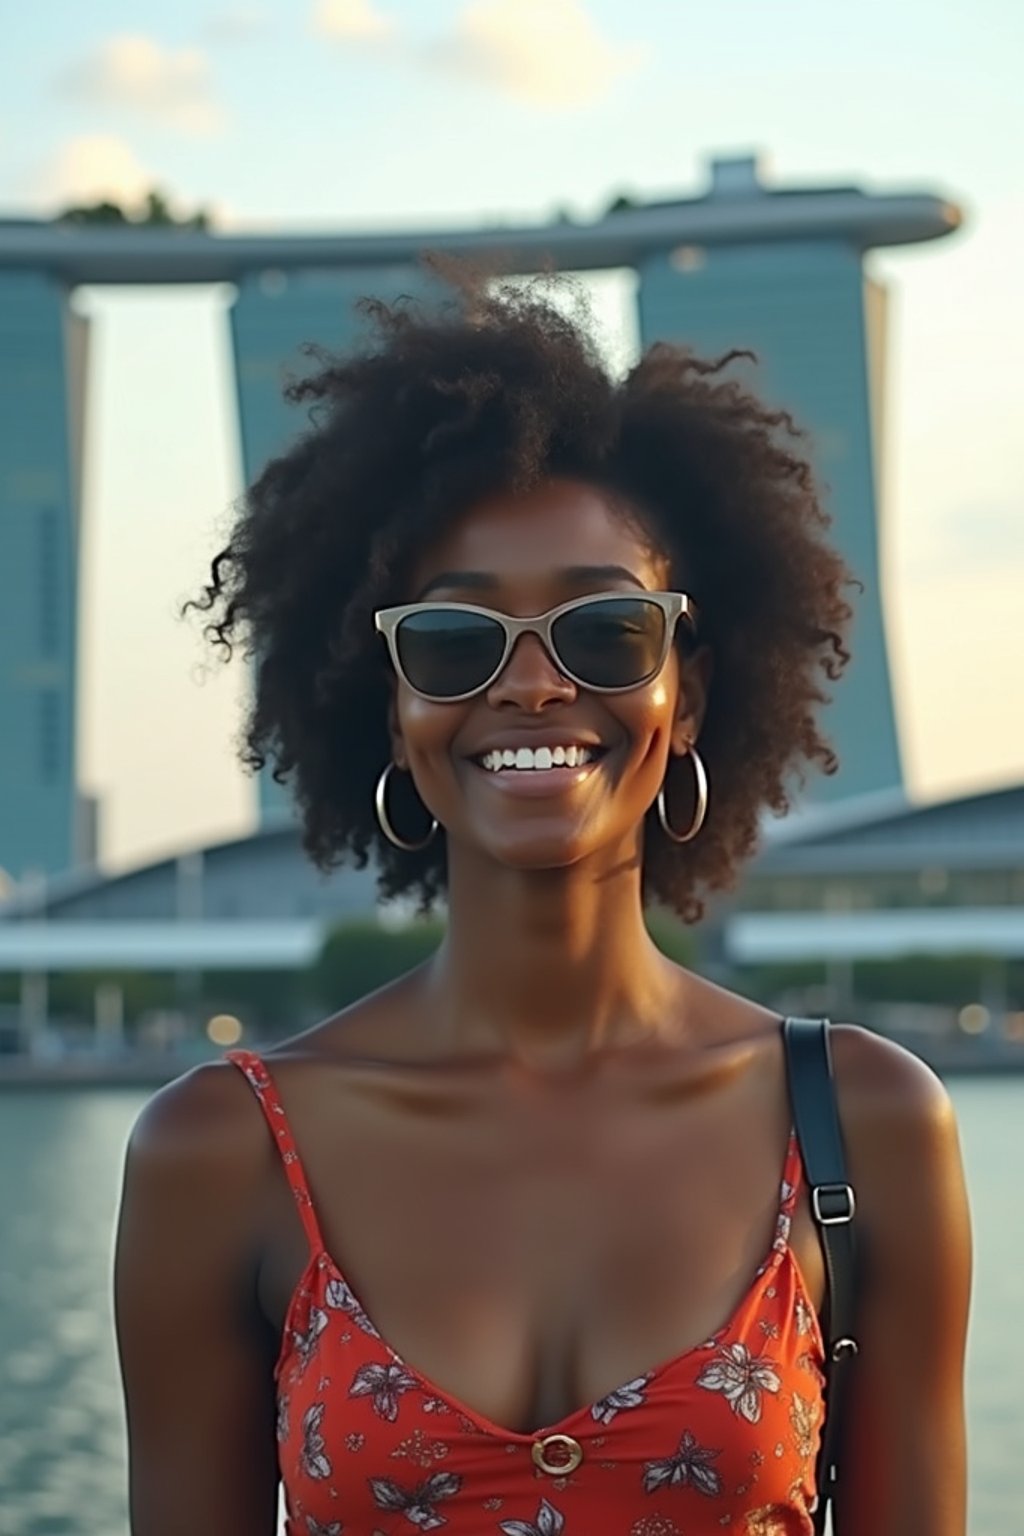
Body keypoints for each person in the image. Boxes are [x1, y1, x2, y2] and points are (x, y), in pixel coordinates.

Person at [114, 277, 971, 1535]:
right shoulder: (219, 1153)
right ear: (388, 705)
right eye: (457, 641)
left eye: (605, 631)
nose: (529, 685)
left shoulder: (864, 1127)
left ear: (685, 687)